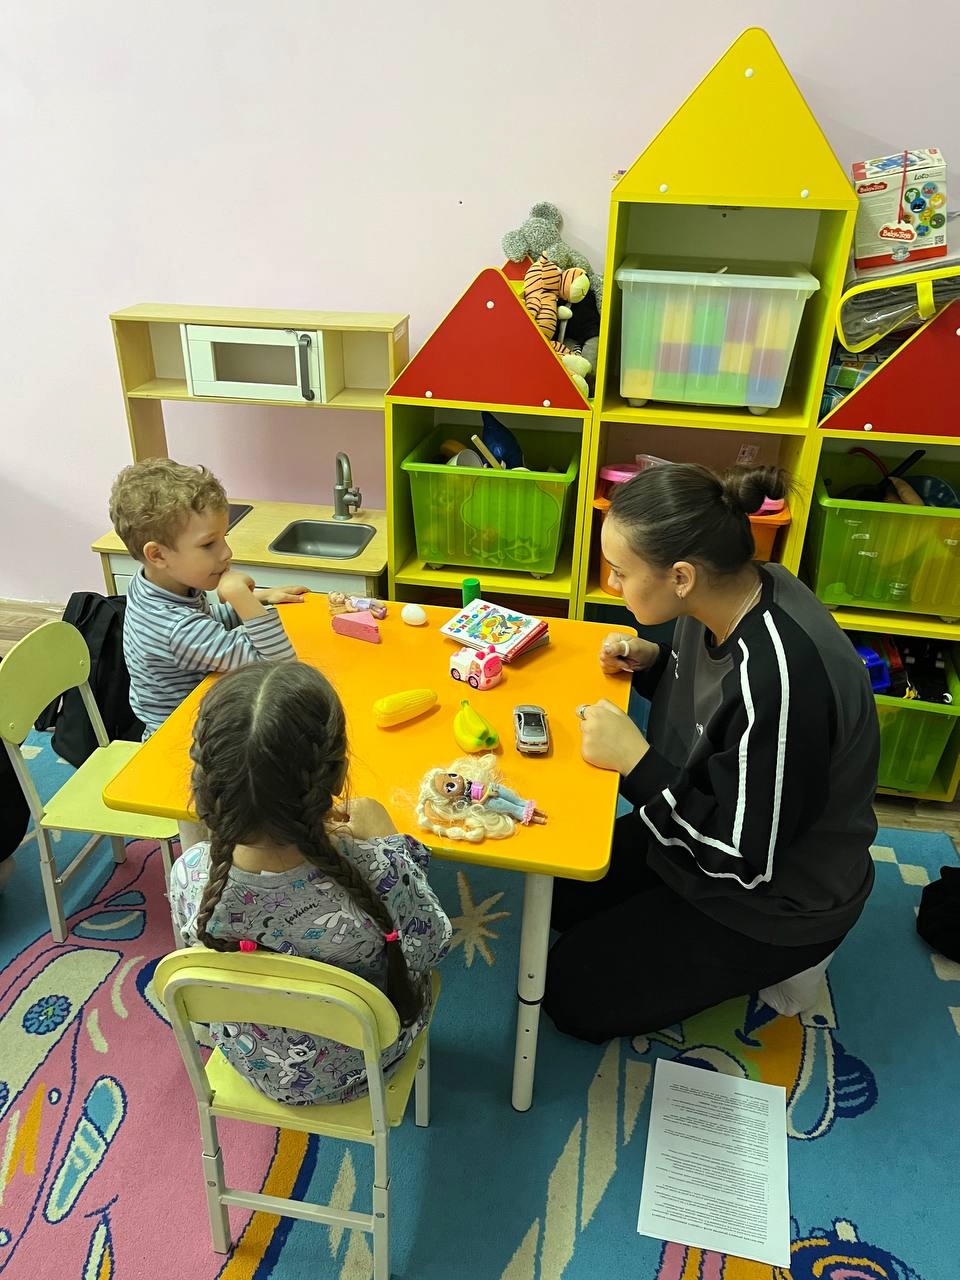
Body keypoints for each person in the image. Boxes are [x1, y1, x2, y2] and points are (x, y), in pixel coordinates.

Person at [543, 463, 880, 1044]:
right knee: (557, 891)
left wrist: (636, 763)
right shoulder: (732, 590)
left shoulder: (781, 684)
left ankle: (799, 962)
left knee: (569, 994)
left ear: (680, 576)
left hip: (777, 897)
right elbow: (719, 711)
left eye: (620, 571)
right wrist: (654, 663)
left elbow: (742, 858)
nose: (613, 584)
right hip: (719, 808)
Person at [169, 661, 452, 1105]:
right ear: (336, 778)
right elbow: (431, 945)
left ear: (205, 787)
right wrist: (390, 840)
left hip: (255, 1062)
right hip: (367, 1063)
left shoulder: (189, 874)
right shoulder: (379, 871)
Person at [109, 458, 305, 738]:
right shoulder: (175, 628)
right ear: (158, 555)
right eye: (208, 544)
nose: (226, 553)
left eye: (224, 537)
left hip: (197, 717)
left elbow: (206, 621)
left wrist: (259, 599)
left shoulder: (155, 584)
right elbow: (282, 671)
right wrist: (242, 599)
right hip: (184, 742)